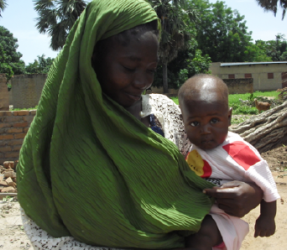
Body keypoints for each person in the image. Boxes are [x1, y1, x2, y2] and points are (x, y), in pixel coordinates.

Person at [17, 0, 263, 249]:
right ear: (92, 58)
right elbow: (43, 231)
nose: (142, 82)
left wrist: (253, 192)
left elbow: (208, 170)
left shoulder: (163, 113)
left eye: (150, 69)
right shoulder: (53, 137)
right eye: (129, 67)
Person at [178, 74, 280, 250]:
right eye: (195, 123)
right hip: (196, 212)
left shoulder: (237, 150)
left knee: (201, 235)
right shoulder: (192, 149)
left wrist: (267, 217)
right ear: (183, 123)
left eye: (214, 121)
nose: (205, 130)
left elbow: (267, 184)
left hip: (223, 219)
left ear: (229, 117)